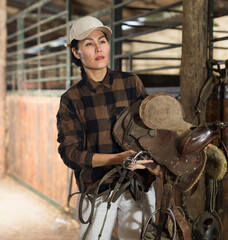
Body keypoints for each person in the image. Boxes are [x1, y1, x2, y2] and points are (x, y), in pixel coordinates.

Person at [56, 16, 156, 240]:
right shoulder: (72, 99)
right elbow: (70, 154)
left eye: (102, 41)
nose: (98, 48)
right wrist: (116, 159)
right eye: (89, 43)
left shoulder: (131, 83)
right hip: (97, 188)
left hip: (137, 184)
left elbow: (151, 129)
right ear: (76, 52)